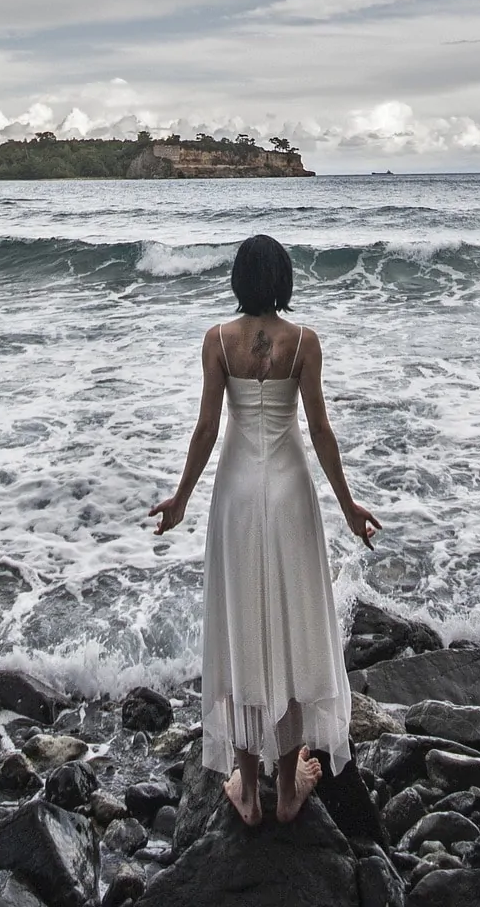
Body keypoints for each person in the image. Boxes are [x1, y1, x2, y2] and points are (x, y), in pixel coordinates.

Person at [149, 233, 381, 825]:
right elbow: (321, 431)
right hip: (288, 491)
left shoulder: (217, 342)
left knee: (245, 625)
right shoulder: (302, 342)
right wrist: (350, 507)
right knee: (288, 624)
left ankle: (247, 792)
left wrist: (181, 498)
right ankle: (287, 788)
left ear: (238, 281)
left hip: (235, 493)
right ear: (282, 280)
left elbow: (205, 430)